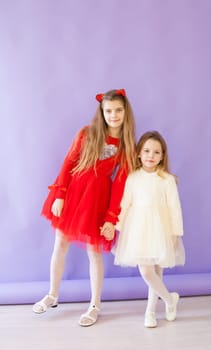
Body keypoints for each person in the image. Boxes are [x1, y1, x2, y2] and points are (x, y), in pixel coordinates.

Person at [32, 89, 136, 327]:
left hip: (97, 200)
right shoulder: (87, 133)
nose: (113, 115)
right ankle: (53, 294)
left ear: (125, 111)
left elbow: (120, 185)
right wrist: (60, 194)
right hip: (73, 194)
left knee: (94, 252)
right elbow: (68, 163)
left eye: (118, 110)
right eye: (108, 110)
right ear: (102, 111)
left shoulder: (126, 144)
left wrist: (111, 218)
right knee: (60, 243)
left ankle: (95, 305)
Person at [114, 130, 185, 328]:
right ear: (138, 153)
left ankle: (151, 311)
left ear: (163, 156)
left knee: (156, 272)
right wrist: (116, 227)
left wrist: (175, 233)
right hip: (138, 229)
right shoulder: (133, 177)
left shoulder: (166, 179)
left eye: (156, 152)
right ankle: (170, 300)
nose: (151, 156)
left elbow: (174, 208)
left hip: (161, 229)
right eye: (146, 151)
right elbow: (125, 204)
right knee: (147, 272)